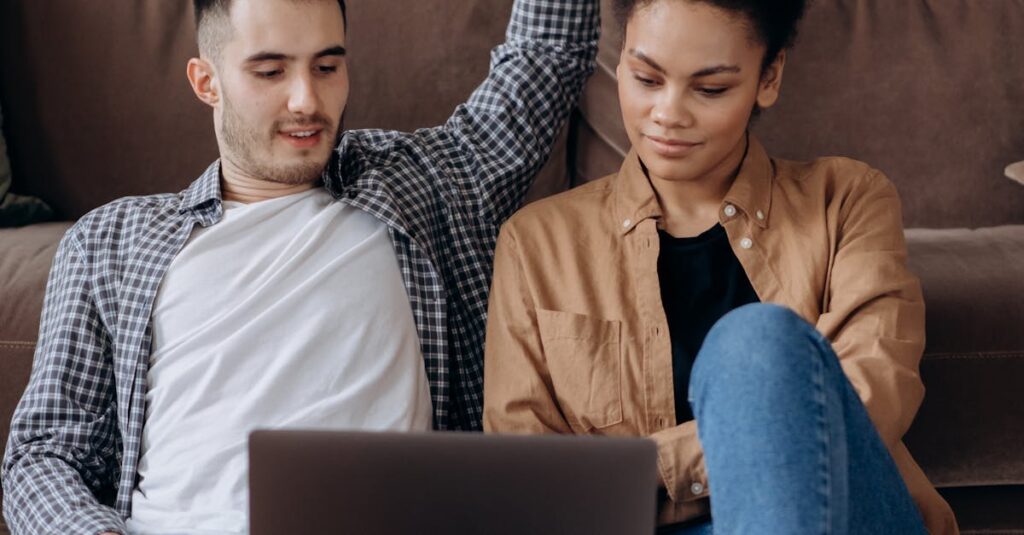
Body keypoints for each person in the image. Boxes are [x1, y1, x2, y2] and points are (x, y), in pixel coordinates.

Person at [1, 0, 598, 532]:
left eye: (327, 66)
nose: (306, 100)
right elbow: (42, 452)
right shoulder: (111, 241)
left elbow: (544, 58)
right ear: (206, 81)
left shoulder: (422, 183)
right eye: (270, 71)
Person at [482, 0, 959, 533]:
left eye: (709, 89)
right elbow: (528, 477)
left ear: (769, 78)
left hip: (840, 510)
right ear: (620, 66)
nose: (668, 113)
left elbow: (870, 398)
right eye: (646, 78)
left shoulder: (846, 200)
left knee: (756, 341)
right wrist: (751, 441)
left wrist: (647, 467)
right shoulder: (534, 244)